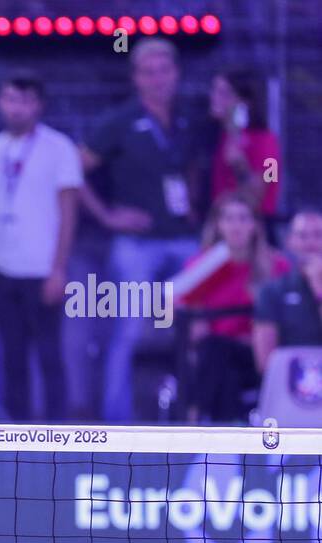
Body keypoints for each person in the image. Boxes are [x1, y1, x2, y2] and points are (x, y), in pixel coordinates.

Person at [80, 38, 201, 421]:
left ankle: (195, 415)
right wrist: (106, 215)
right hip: (136, 245)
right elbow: (72, 171)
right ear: (136, 78)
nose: (158, 79)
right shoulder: (118, 121)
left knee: (198, 329)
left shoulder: (187, 118)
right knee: (128, 332)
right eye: (149, 72)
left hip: (185, 240)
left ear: (176, 74)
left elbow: (192, 168)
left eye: (164, 70)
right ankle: (117, 425)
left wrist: (196, 205)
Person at [0, 71, 81, 422]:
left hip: (42, 267)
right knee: (11, 355)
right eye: (10, 99)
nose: (17, 108)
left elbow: (68, 211)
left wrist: (58, 269)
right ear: (0, 104)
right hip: (2, 265)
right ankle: (17, 434)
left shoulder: (59, 147)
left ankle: (57, 431)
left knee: (49, 353)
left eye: (25, 101)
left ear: (38, 105)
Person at [178, 194, 289, 422]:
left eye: (243, 218)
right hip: (214, 354)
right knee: (220, 360)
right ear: (218, 224)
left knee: (220, 356)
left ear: (255, 225)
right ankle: (226, 446)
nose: (236, 226)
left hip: (261, 353)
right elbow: (177, 305)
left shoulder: (278, 266)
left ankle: (198, 417)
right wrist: (195, 322)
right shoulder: (201, 265)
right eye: (228, 218)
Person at [207, 68, 281, 221]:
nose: (214, 98)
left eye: (224, 94)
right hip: (219, 224)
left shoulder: (267, 141)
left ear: (244, 102)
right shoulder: (217, 137)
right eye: (214, 90)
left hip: (256, 225)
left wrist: (241, 164)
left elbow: (269, 182)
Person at [254, 209, 322, 368]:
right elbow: (264, 362)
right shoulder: (271, 292)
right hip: (290, 381)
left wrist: (319, 287)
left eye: (318, 235)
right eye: (302, 236)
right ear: (290, 242)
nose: (310, 243)